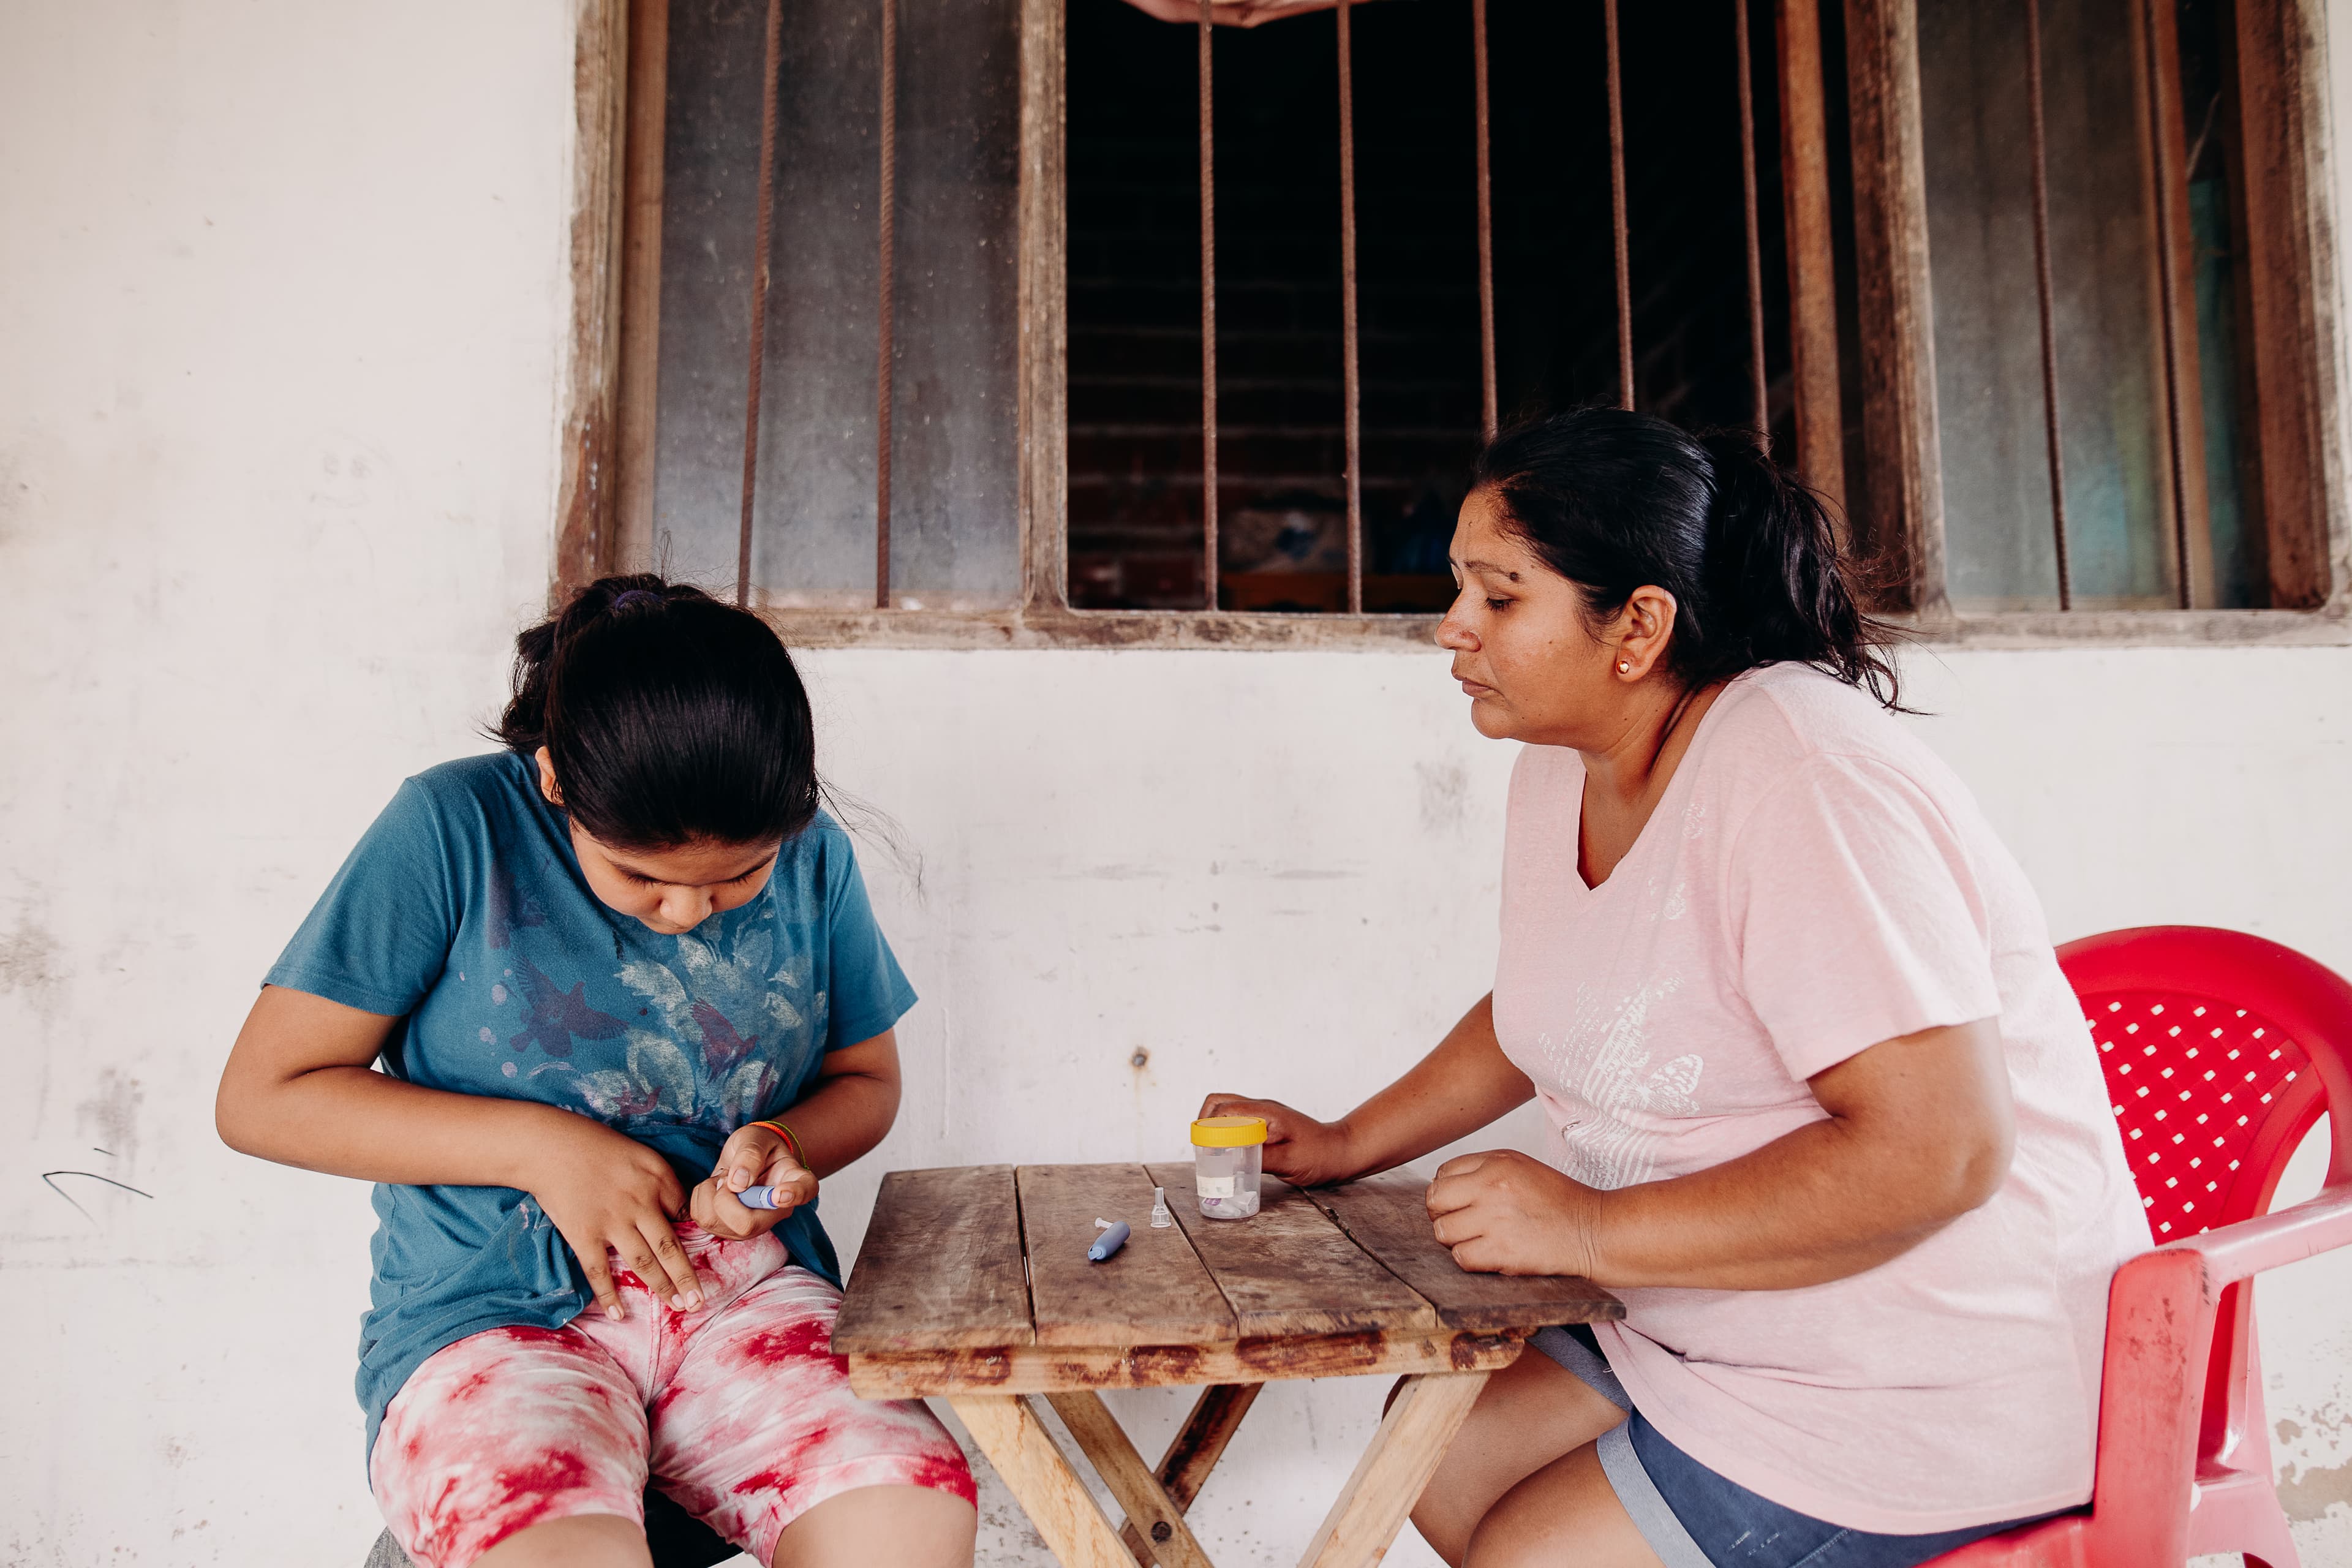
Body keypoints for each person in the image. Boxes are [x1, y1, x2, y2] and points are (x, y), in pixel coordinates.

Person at [1200, 409, 2149, 1568]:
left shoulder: (1807, 777)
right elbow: (1555, 1003)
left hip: (1919, 1375)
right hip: (1695, 1314)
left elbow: (1939, 1152)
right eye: (1461, 589)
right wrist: (1352, 1140)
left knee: (1529, 1558)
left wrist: (1589, 1225)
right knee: (1430, 1451)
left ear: (1638, 625)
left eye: (1500, 597)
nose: (1452, 628)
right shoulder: (1568, 766)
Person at [216, 576, 977, 1568]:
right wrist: (545, 1149)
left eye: (736, 878)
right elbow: (261, 1098)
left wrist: (784, 1143)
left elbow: (866, 1082)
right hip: (495, 1316)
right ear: (555, 783)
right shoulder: (452, 829)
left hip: (742, 1298)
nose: (688, 911)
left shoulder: (814, 858)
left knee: (907, 1517)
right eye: (644, 878)